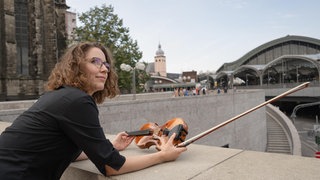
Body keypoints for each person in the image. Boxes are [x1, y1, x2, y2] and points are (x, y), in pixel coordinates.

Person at [0, 42, 187, 179]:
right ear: (76, 67)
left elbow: (69, 154)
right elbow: (111, 167)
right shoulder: (78, 101)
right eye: (95, 61)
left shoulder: (61, 96)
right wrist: (162, 156)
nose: (104, 69)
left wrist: (110, 146)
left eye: (106, 64)